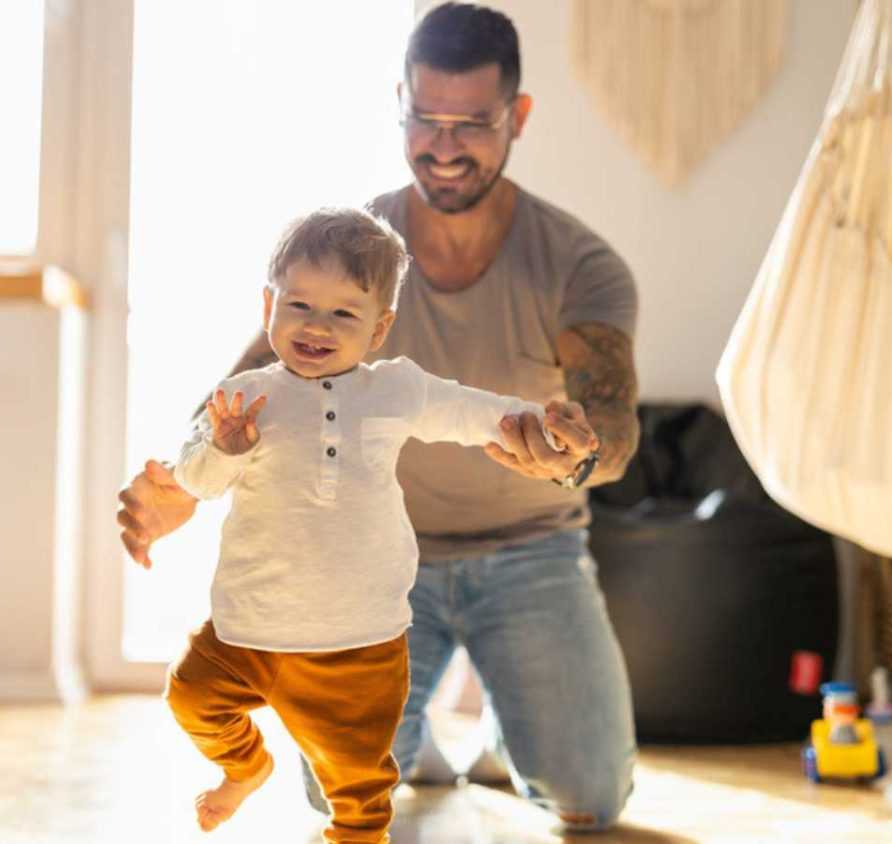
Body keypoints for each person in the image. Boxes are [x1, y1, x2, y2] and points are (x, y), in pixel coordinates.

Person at [120, 2, 640, 832]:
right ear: (398, 102)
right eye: (424, 119)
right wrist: (185, 480)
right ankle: (419, 739)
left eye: (471, 123)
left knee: (588, 799)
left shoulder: (578, 264)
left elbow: (610, 424)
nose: (443, 146)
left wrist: (572, 453)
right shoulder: (352, 253)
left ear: (519, 116)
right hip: (366, 579)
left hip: (532, 552)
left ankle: (512, 722)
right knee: (336, 793)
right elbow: (243, 390)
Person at [161, 207, 584, 842]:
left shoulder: (394, 391)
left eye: (343, 314)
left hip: (358, 640)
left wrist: (544, 425)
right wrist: (225, 445)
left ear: (380, 327)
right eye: (299, 305)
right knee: (190, 698)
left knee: (359, 791)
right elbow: (196, 481)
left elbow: (476, 413)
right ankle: (245, 768)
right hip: (247, 628)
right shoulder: (246, 396)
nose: (315, 327)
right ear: (267, 304)